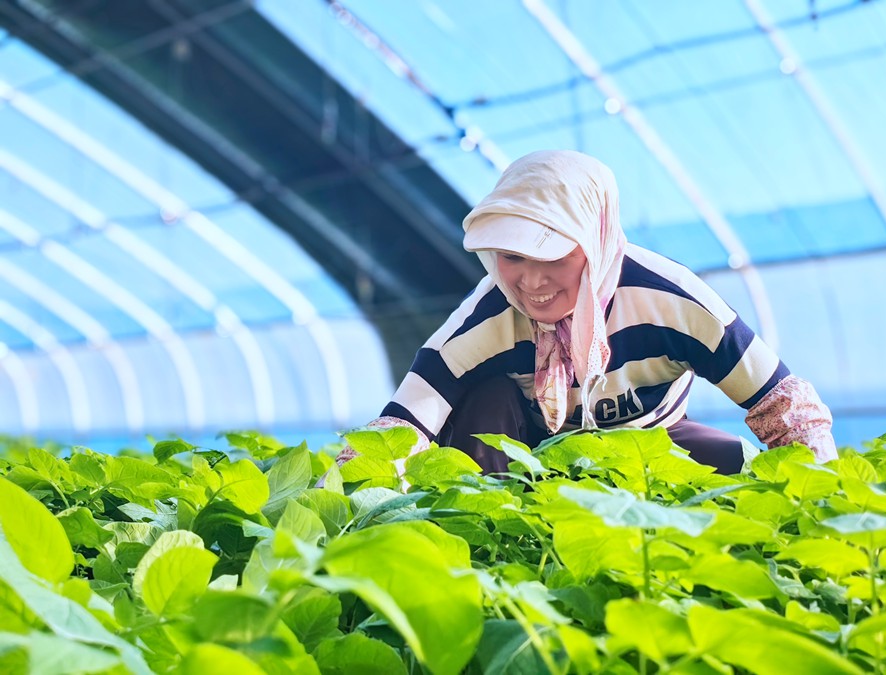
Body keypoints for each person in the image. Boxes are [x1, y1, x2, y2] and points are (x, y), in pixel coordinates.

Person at [337, 150, 837, 475]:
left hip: (647, 447)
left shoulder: (675, 302)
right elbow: (398, 430)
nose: (531, 283)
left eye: (552, 254)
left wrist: (822, 507)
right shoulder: (484, 320)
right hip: (525, 462)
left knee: (734, 463)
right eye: (511, 257)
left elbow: (785, 407)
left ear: (594, 239)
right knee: (484, 403)